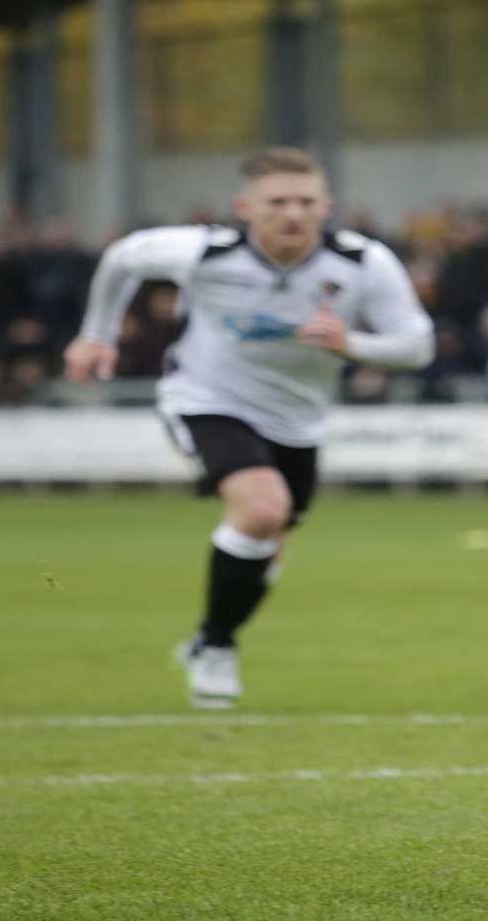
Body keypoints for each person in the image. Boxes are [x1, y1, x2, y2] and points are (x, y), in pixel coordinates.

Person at [63, 147, 435, 708]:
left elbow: (417, 346)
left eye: (306, 201)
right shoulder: (205, 253)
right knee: (262, 510)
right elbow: (123, 257)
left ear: (326, 206)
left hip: (299, 420)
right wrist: (98, 335)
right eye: (277, 202)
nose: (293, 213)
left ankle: (207, 641)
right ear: (245, 207)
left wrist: (351, 343)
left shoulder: (363, 263)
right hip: (207, 399)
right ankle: (216, 647)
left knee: (269, 545)